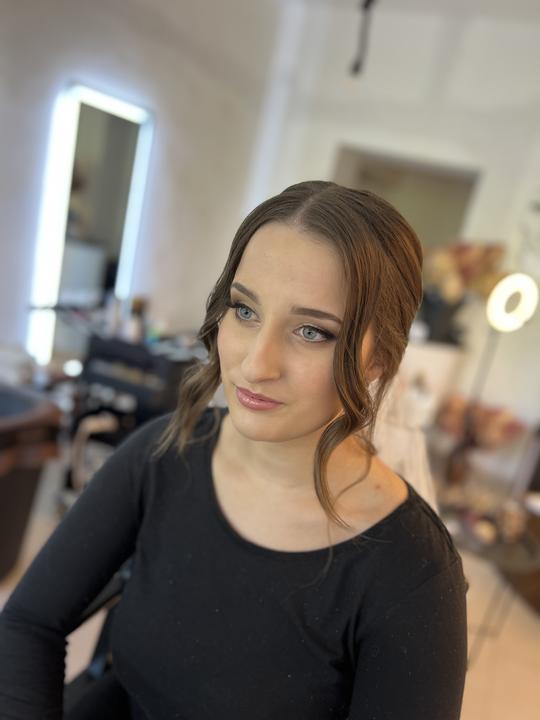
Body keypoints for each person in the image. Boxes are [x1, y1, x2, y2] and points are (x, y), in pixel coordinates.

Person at [0, 181, 468, 719]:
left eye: (312, 331)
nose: (255, 364)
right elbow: (28, 623)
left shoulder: (412, 573)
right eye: (245, 311)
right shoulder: (166, 453)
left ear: (379, 357)